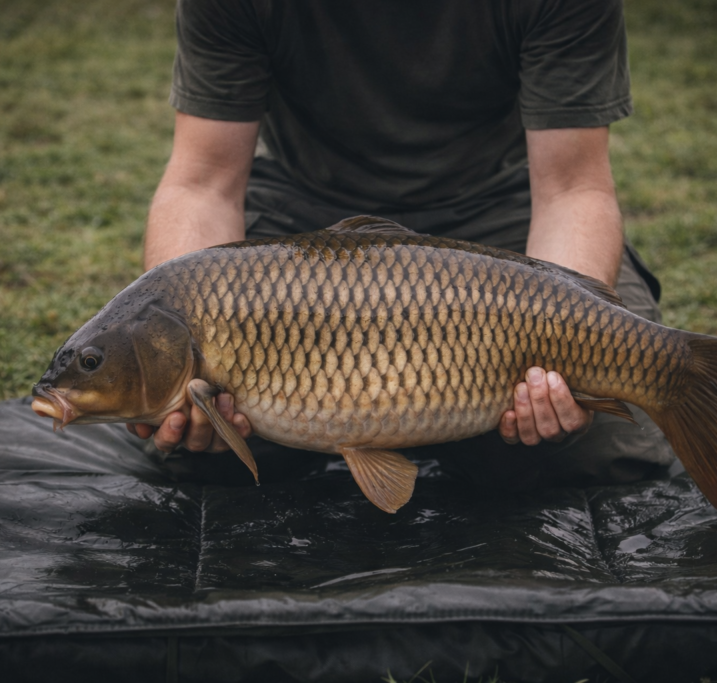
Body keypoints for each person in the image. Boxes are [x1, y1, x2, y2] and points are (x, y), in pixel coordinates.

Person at [128, 0, 676, 487]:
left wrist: (564, 351)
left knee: (600, 449)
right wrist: (188, 333)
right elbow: (203, 182)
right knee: (188, 443)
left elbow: (571, 188)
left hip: (497, 216)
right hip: (303, 230)